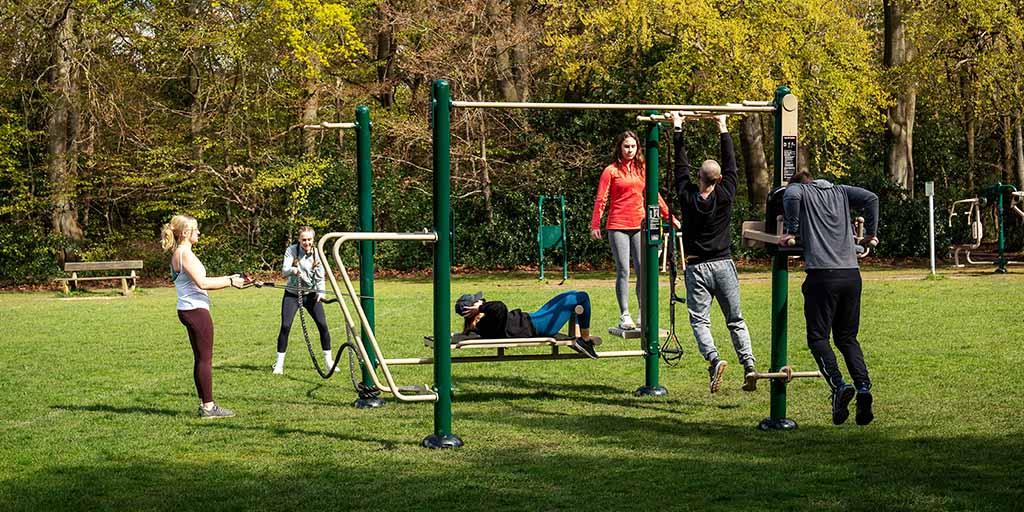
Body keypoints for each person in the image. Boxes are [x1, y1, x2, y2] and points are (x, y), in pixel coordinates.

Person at [779, 171, 878, 426]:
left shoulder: (801, 190)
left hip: (822, 277)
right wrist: (870, 233)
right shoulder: (841, 190)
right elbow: (871, 198)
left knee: (817, 338)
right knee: (846, 338)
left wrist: (791, 230)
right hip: (851, 276)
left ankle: (838, 385)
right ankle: (864, 388)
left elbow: (790, 194)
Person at [671, 113, 757, 393]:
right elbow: (732, 165)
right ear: (719, 179)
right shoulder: (726, 194)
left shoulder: (687, 197)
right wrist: (722, 126)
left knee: (699, 320)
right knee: (736, 319)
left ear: (700, 176)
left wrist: (678, 126)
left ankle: (714, 358)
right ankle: (750, 366)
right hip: (723, 264)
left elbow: (679, 167)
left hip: (697, 267)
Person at [591, 130, 678, 330]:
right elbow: (601, 198)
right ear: (619, 148)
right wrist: (595, 224)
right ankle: (624, 314)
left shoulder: (642, 169)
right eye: (626, 146)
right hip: (618, 225)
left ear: (638, 147)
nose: (630, 150)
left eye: (633, 146)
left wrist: (668, 216)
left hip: (640, 225)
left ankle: (642, 313)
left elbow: (653, 194)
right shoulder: (611, 171)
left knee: (643, 270)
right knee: (623, 270)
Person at [161, 214, 244, 419]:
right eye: (196, 229)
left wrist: (231, 279)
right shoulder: (184, 254)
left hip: (190, 309)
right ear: (186, 233)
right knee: (205, 359)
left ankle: (206, 404)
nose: (199, 232)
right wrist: (230, 281)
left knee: (201, 358)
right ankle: (208, 406)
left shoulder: (182, 253)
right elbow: (203, 283)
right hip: (195, 311)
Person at [455, 290, 599, 359]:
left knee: (571, 293)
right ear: (473, 310)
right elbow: (500, 307)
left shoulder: (482, 324)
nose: (483, 301)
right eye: (479, 301)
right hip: (539, 327)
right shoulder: (485, 324)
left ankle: (581, 337)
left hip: (533, 319)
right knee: (581, 297)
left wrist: (479, 308)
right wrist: (480, 308)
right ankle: (585, 341)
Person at [272, 226, 333, 374]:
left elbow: (320, 275)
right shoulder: (291, 251)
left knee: (323, 325)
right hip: (292, 294)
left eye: (309, 239)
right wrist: (293, 270)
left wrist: (321, 292)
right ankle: (279, 365)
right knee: (286, 326)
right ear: (299, 240)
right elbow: (284, 271)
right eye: (304, 239)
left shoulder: (317, 253)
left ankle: (328, 362)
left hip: (311, 294)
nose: (306, 242)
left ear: (313, 239)